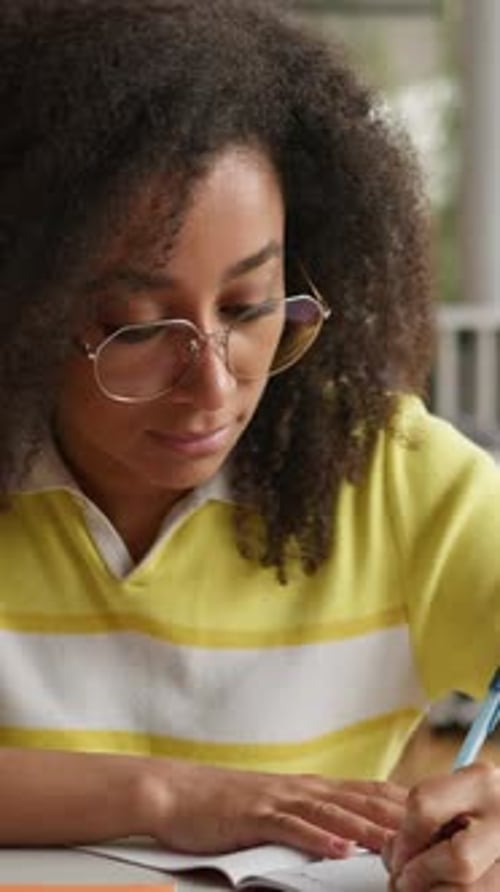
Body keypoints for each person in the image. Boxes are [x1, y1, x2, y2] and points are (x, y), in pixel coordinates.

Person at [0, 0, 499, 887]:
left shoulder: (393, 473)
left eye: (248, 308)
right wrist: (171, 798)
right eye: (135, 327)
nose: (216, 386)